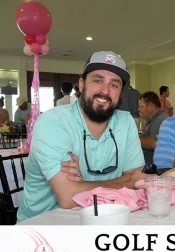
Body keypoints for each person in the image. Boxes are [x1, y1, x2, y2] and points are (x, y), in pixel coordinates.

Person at [17, 51, 145, 222]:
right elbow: (69, 197)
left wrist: (81, 186)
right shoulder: (53, 122)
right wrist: (126, 181)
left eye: (114, 85)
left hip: (103, 220)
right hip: (42, 227)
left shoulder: (125, 121)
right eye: (98, 80)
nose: (105, 91)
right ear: (82, 84)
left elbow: (137, 182)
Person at [138, 91, 168, 164]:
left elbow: (153, 143)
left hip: (150, 165)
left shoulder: (160, 121)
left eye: (141, 106)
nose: (138, 109)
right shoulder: (155, 119)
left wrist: (133, 137)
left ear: (150, 107)